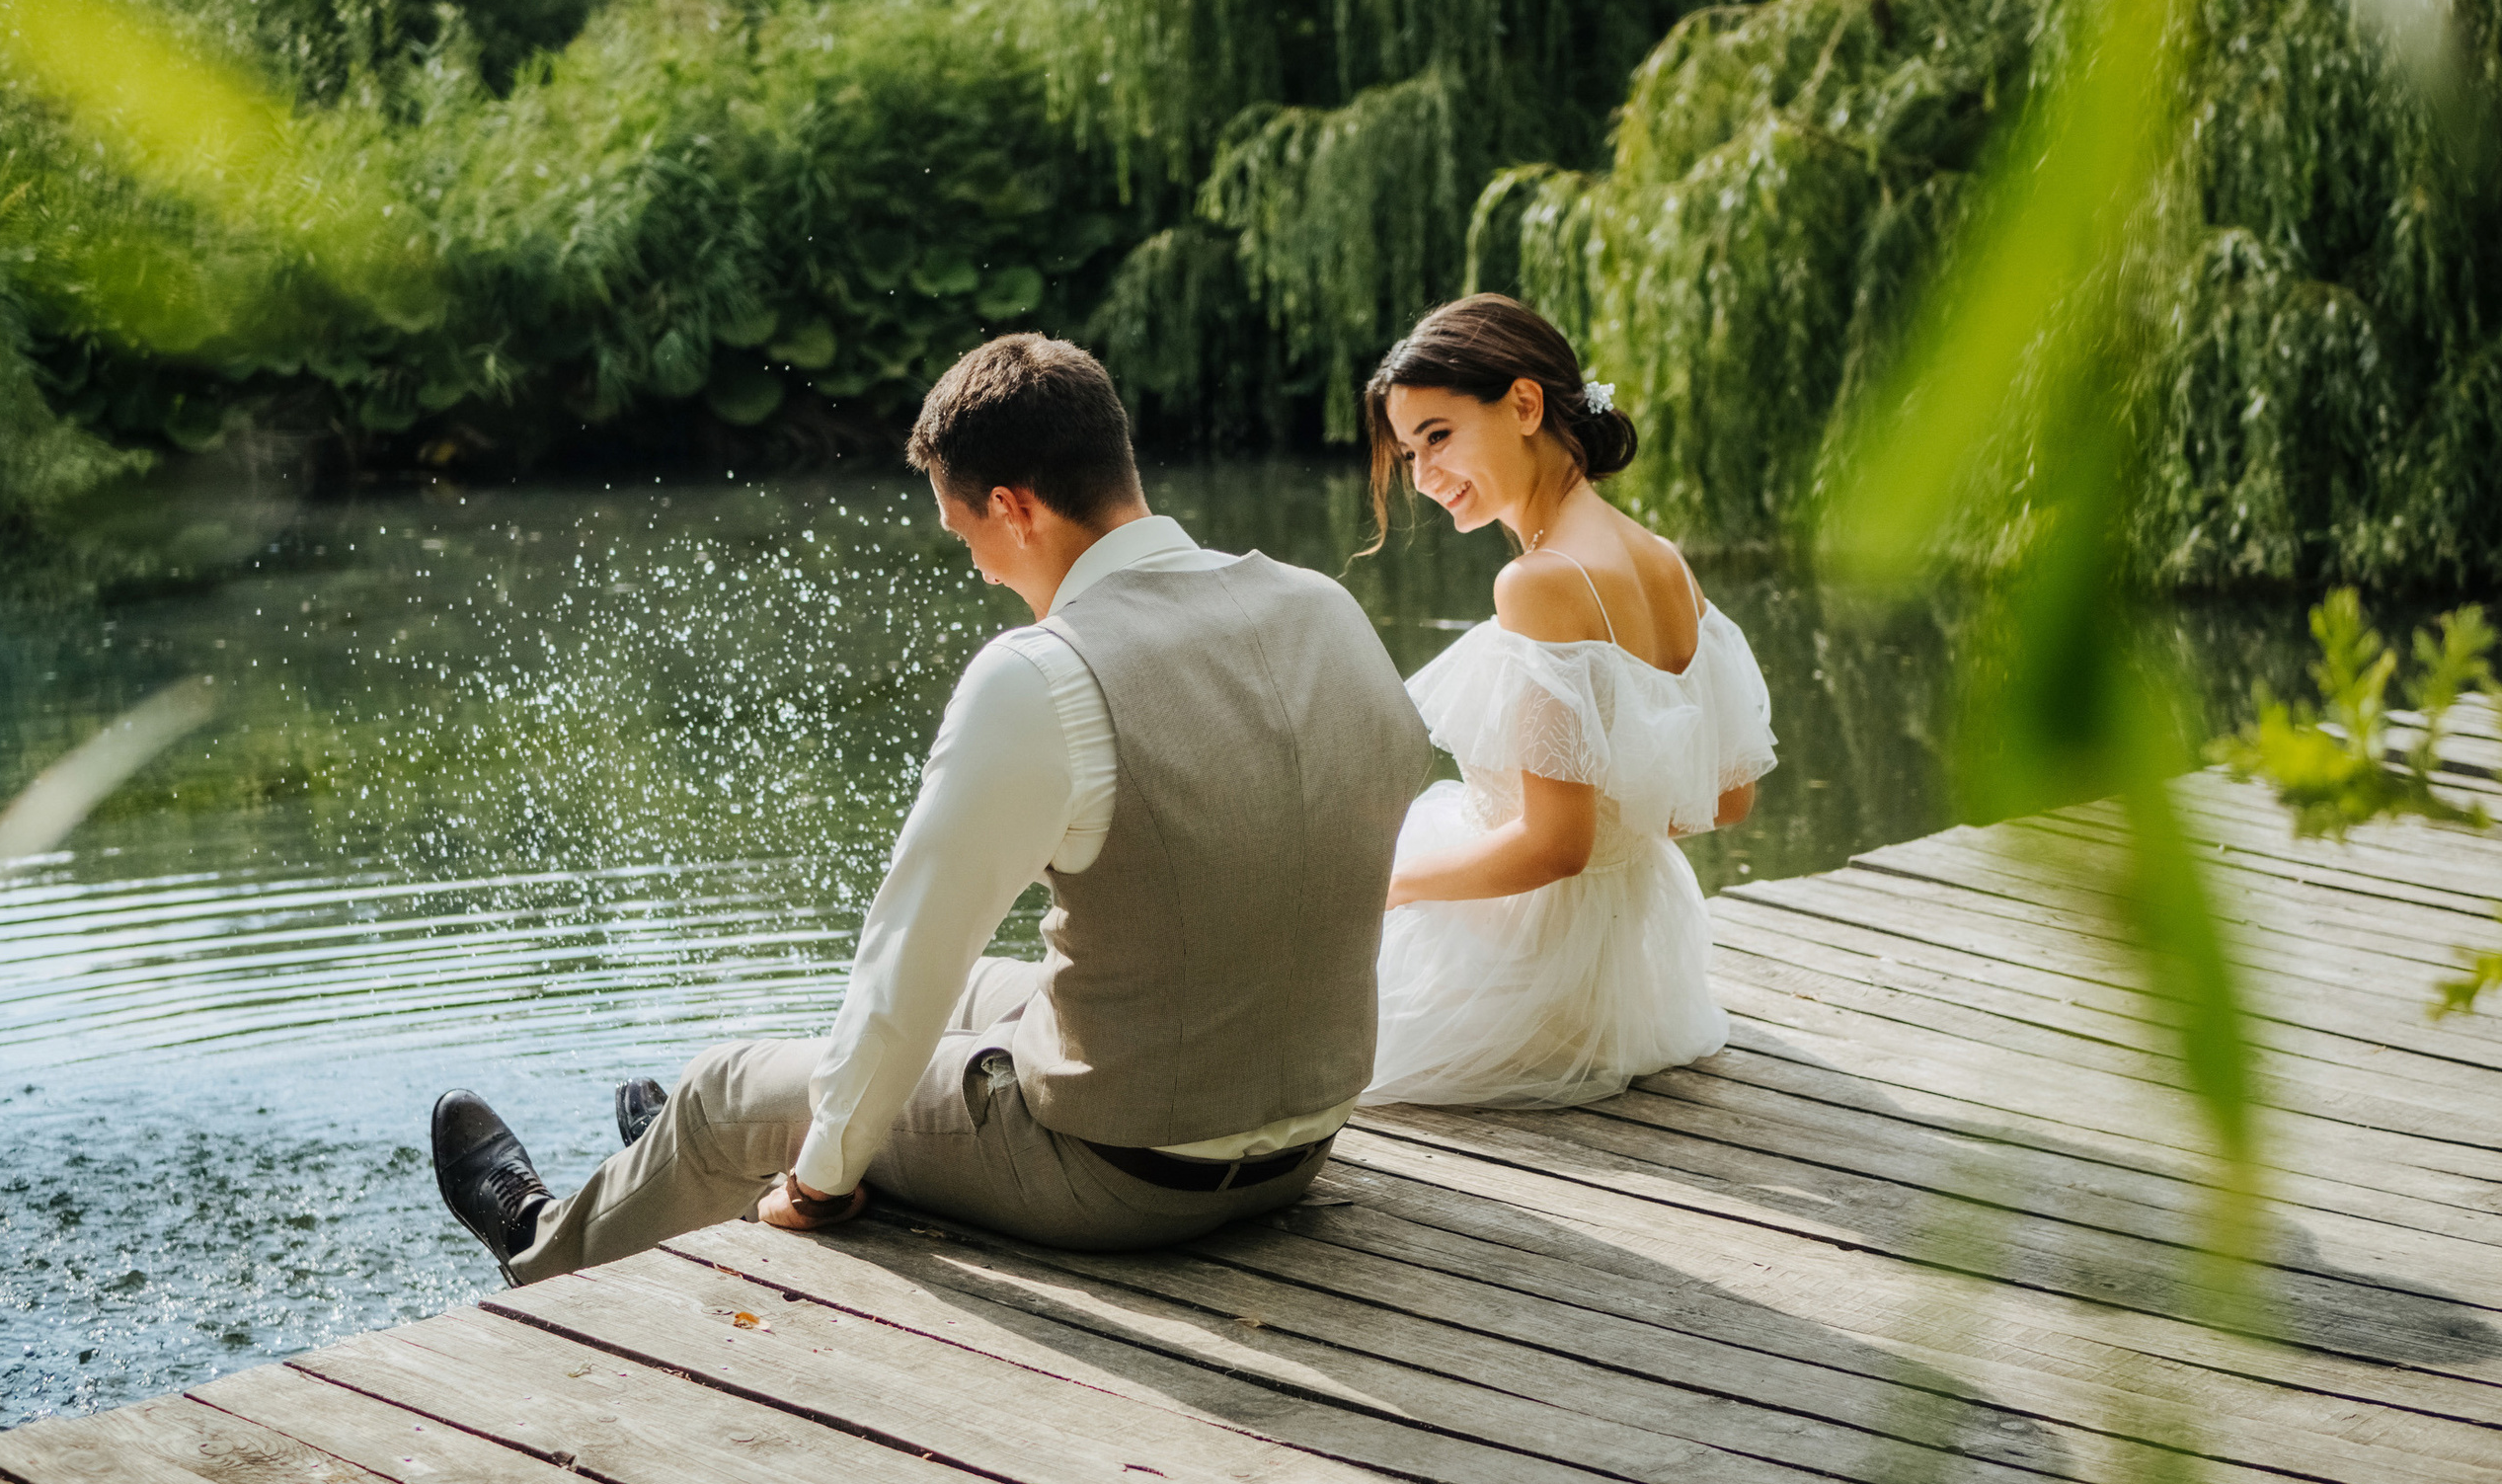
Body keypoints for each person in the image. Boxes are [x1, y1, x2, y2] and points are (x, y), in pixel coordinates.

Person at [432, 335, 1434, 1281]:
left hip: (1130, 1177)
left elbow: (907, 952)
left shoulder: (1043, 675)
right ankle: (694, 1167)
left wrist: (822, 1183)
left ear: (1014, 509)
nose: (977, 568)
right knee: (968, 996)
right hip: (1302, 1136)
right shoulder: (1321, 607)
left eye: (964, 536)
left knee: (720, 1089)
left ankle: (544, 1242)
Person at [1358, 294, 1776, 1108]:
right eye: (1410, 453)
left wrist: (1388, 887)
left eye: (1438, 436)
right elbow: (1729, 795)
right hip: (1636, 976)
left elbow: (1554, 847)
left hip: (1529, 976)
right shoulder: (1660, 558)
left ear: (1523, 404)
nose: (1425, 475)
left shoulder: (1541, 583)